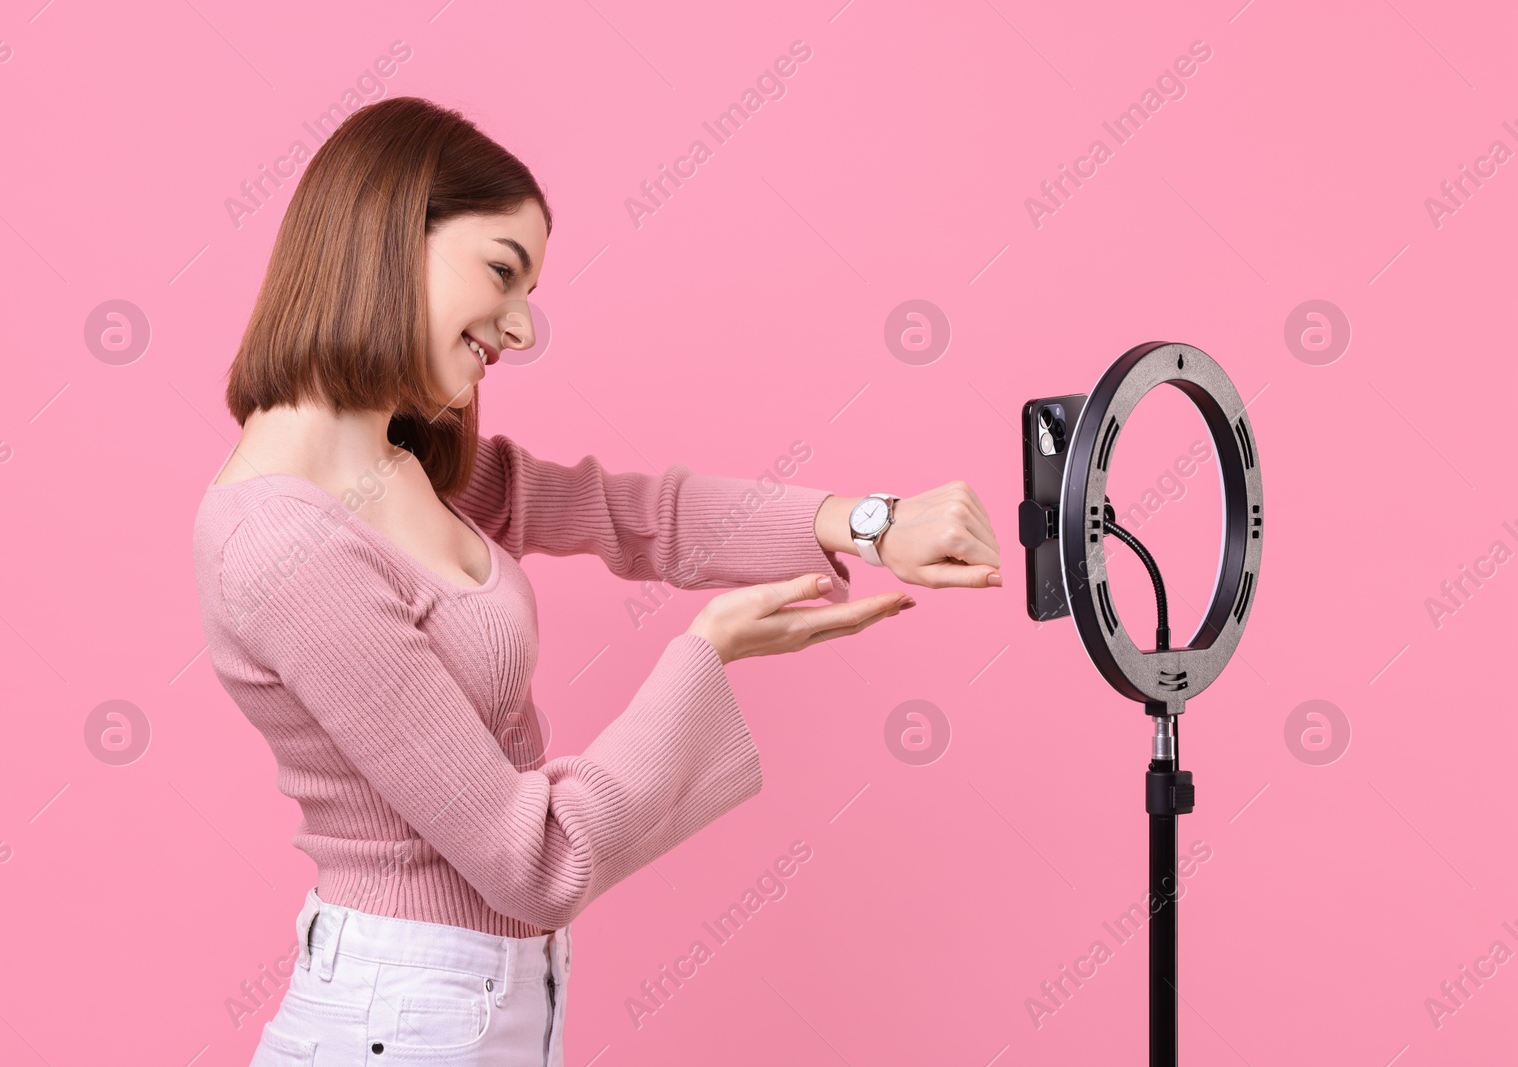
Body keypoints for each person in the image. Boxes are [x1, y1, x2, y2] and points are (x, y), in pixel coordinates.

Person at [191, 95, 1002, 1066]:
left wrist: (868, 522)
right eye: (502, 270)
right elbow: (532, 860)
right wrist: (704, 654)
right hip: (400, 1019)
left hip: (468, 1006)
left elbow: (625, 513)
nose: (524, 327)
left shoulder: (401, 462)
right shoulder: (284, 545)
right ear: (385, 236)